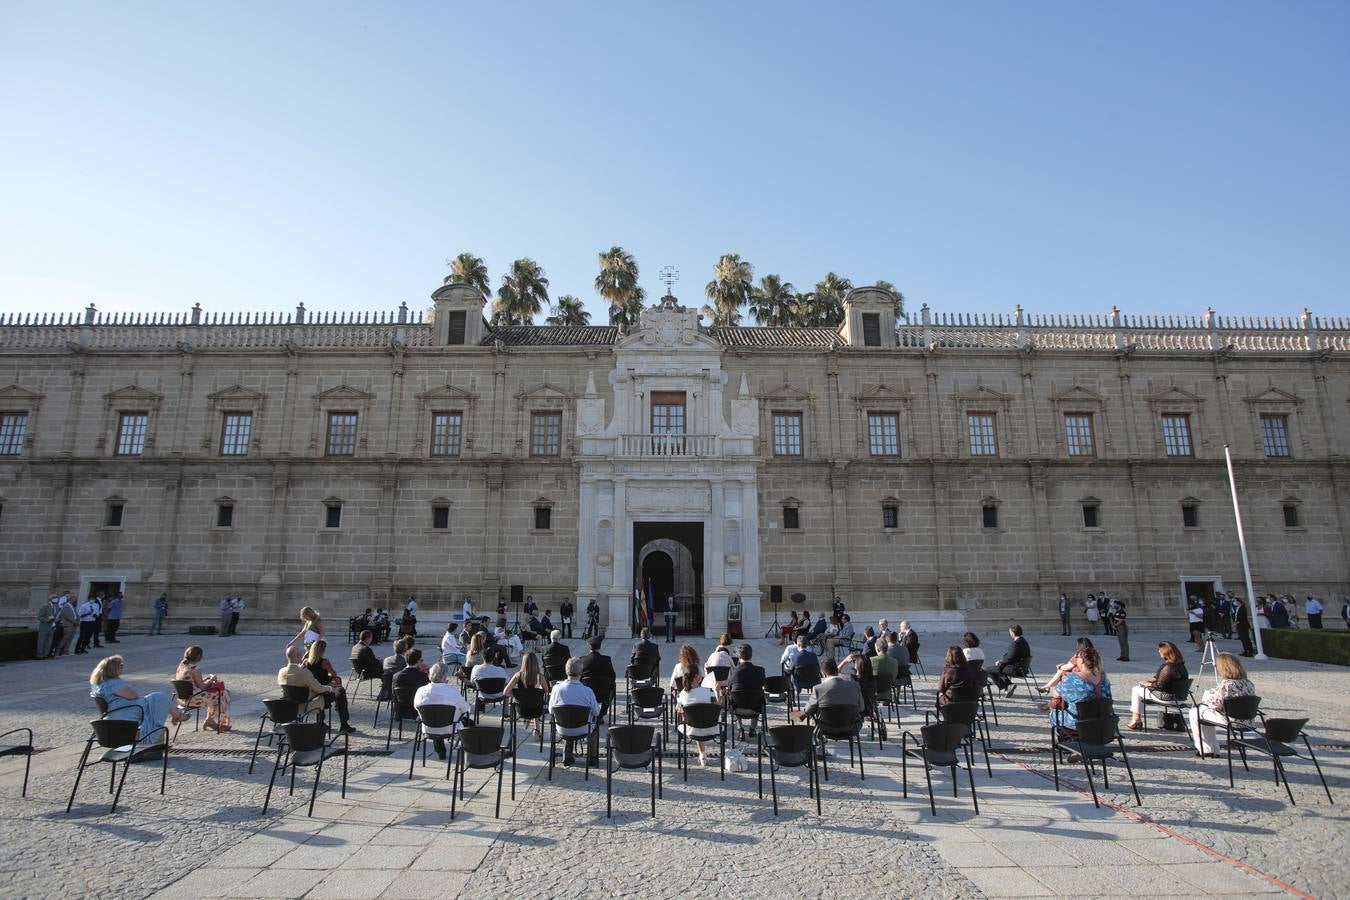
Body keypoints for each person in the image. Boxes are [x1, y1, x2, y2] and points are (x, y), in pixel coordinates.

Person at [91, 655, 188, 733]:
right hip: (125, 713)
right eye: (121, 665)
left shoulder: (100, 683)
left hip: (119, 711)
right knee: (159, 698)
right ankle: (177, 716)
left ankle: (176, 716)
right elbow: (133, 696)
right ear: (113, 668)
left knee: (157, 697)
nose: (122, 667)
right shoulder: (113, 683)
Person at [1188, 652, 1257, 756]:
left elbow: (1216, 705)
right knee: (1202, 712)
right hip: (1248, 720)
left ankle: (1207, 749)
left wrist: (1207, 699)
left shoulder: (1227, 684)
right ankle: (1212, 748)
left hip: (1231, 720)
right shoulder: (1248, 683)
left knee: (1195, 712)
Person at [1125, 641, 1189, 731]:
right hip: (1180, 697)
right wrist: (1149, 680)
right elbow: (1161, 677)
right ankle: (1136, 720)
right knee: (1140, 689)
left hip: (1168, 697)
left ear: (1165, 652)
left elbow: (1159, 685)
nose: (1158, 652)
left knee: (1136, 690)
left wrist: (1148, 684)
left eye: (1160, 650)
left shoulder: (1169, 667)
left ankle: (1136, 720)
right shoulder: (1180, 665)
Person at [549, 656, 601, 766]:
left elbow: (551, 710)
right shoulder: (587, 691)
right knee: (594, 727)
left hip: (562, 729)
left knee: (567, 718)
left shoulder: (556, 689)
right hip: (583, 729)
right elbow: (596, 712)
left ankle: (567, 755)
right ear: (581, 673)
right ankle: (592, 757)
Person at [414, 662, 472, 759]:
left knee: (435, 716)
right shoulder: (452, 691)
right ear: (445, 677)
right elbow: (466, 709)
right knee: (467, 722)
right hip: (450, 727)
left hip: (428, 727)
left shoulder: (421, 691)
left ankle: (441, 752)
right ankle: (470, 751)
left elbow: (416, 707)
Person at [1047, 645, 1110, 731]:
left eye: (1077, 657)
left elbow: (1056, 693)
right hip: (1103, 721)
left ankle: (1065, 737)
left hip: (1078, 722)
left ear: (1081, 661)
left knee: (1054, 713)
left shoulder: (1072, 678)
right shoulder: (1105, 679)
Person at [176, 645, 232, 731]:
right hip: (193, 698)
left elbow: (194, 683)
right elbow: (202, 687)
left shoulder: (182, 666)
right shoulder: (194, 669)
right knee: (223, 694)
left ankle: (211, 720)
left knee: (218, 695)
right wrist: (211, 680)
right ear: (199, 657)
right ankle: (219, 722)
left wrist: (206, 679)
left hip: (184, 697)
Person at [675, 663, 720, 766]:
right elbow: (718, 706)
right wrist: (717, 692)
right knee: (701, 718)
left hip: (692, 730)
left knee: (696, 720)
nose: (702, 676)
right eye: (700, 674)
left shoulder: (682, 694)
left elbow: (678, 709)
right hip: (711, 728)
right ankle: (702, 754)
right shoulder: (708, 691)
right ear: (696, 677)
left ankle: (702, 754)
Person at [797, 657, 863, 723]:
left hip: (827, 729)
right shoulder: (855, 686)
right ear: (837, 670)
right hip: (850, 728)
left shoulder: (818, 689)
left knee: (796, 717)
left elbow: (807, 711)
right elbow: (861, 708)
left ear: (823, 673)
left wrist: (796, 716)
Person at [278, 644, 333, 716]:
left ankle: (321, 723)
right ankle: (343, 724)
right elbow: (318, 689)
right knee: (337, 692)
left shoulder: (281, 672)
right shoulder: (304, 673)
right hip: (306, 705)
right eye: (301, 654)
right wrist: (329, 688)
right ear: (298, 655)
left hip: (289, 704)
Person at [986, 625, 1031, 696]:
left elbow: (1010, 658)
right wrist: (1002, 661)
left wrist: (1000, 662)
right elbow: (1011, 657)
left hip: (1015, 669)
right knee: (997, 668)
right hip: (1023, 669)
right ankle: (1008, 685)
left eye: (1010, 632)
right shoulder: (1024, 641)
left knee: (988, 670)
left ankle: (1007, 685)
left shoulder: (1016, 644)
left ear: (1013, 633)